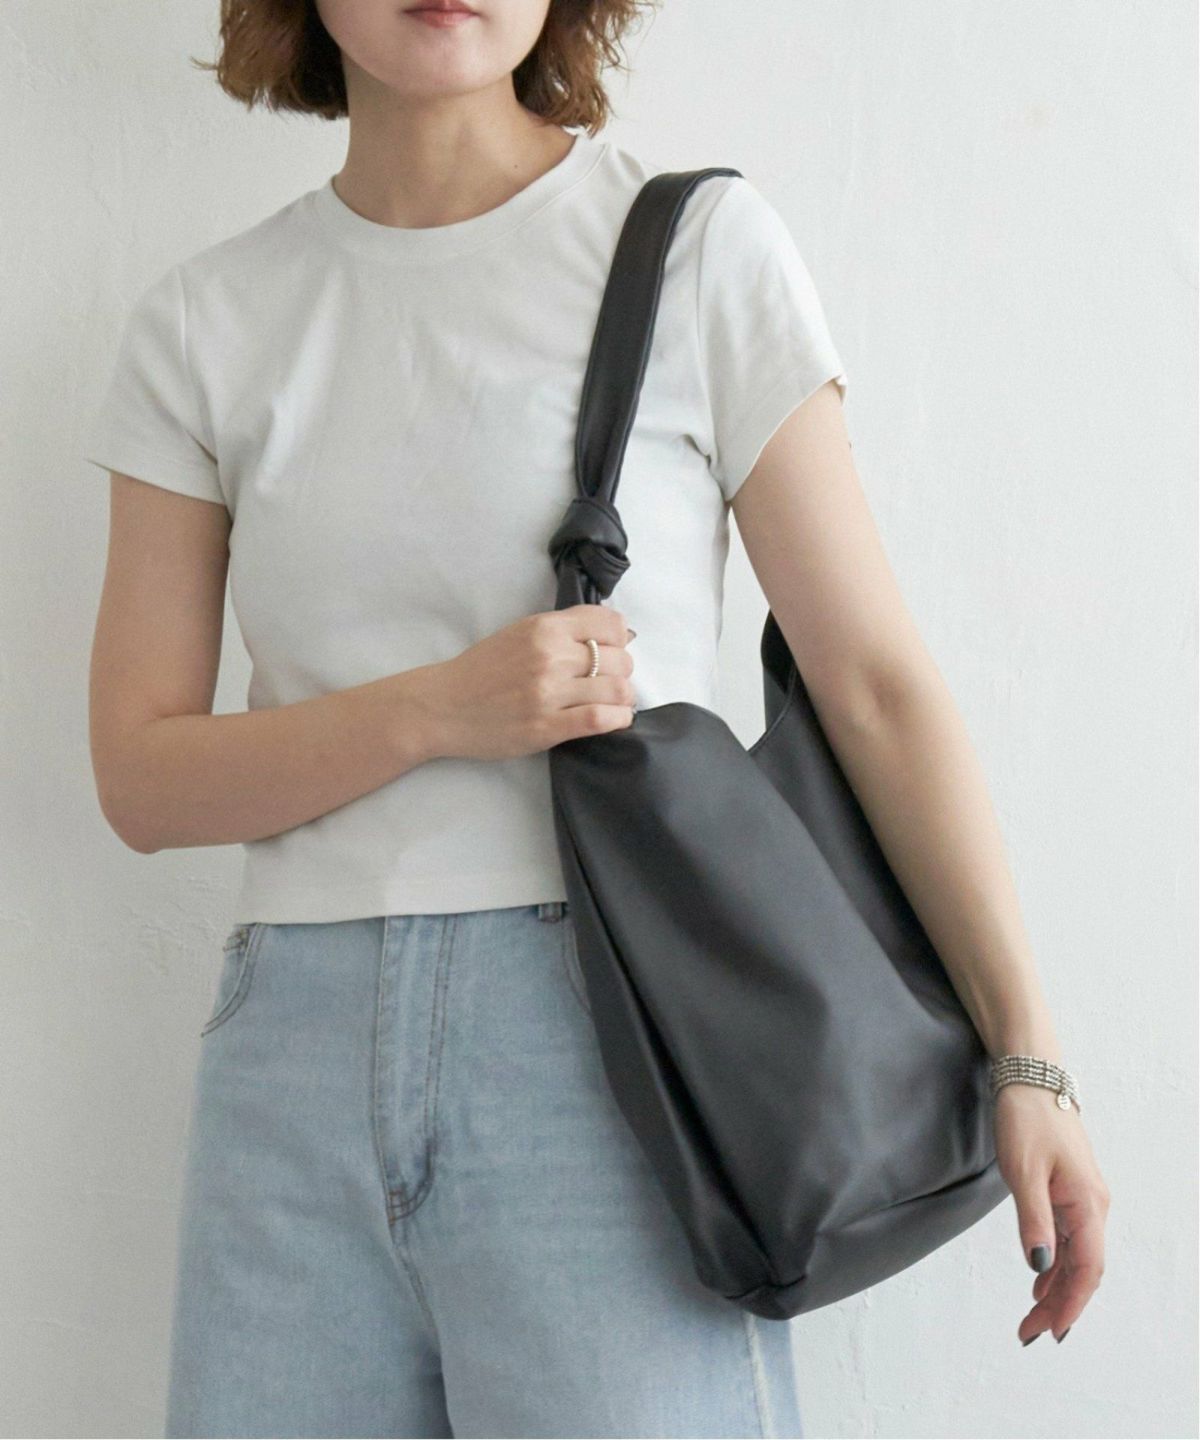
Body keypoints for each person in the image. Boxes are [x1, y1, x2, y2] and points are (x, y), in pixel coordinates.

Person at [82, 1, 1111, 1435]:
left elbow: (873, 685)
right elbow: (141, 777)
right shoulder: (206, 321)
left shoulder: (691, 251)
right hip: (288, 1063)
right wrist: (438, 710)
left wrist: (1028, 1057)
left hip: (619, 1040)